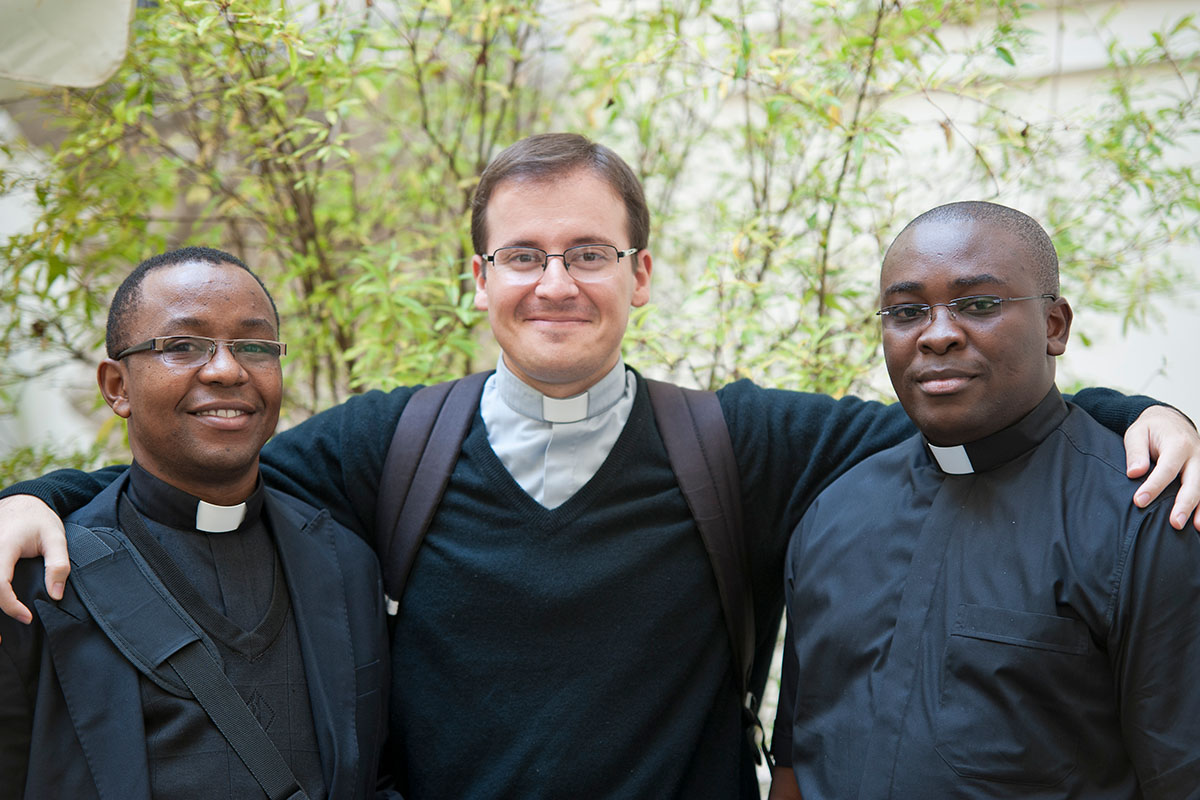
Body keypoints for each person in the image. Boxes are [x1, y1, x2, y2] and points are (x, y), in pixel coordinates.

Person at [1, 137, 1198, 800]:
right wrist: (31, 499)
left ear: (641, 272)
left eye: (589, 250)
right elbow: (207, 473)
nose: (556, 282)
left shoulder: (742, 442)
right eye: (522, 254)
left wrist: (1133, 411)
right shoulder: (391, 445)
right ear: (478, 282)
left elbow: (965, 406)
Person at [768, 202, 1200, 800]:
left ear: (1055, 326)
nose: (938, 333)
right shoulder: (833, 513)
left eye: (978, 305)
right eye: (906, 311)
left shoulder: (1142, 519)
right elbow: (795, 759)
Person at [0, 248, 394, 800]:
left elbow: (372, 775)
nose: (227, 369)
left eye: (255, 346)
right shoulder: (38, 580)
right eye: (182, 346)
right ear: (117, 387)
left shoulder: (345, 563)